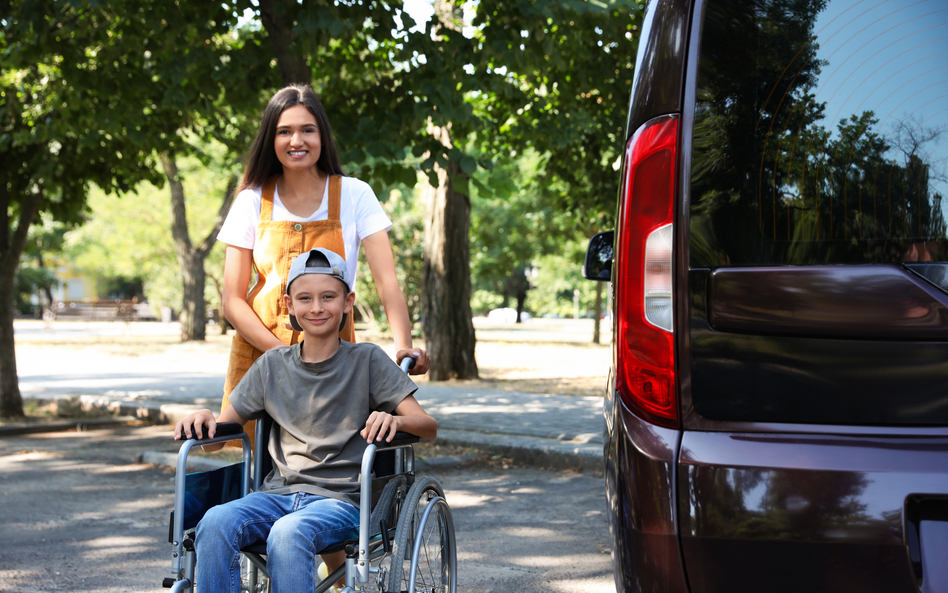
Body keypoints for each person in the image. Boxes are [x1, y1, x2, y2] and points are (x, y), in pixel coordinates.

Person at [174, 248, 438, 593]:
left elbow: (427, 426)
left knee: (289, 532)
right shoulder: (272, 366)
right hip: (275, 495)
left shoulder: (367, 360)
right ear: (289, 305)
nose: (316, 307)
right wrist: (204, 419)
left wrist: (396, 422)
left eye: (328, 297)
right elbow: (224, 431)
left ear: (348, 302)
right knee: (216, 521)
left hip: (341, 502)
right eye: (305, 298)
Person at [217, 83, 429, 437]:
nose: (296, 141)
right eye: (284, 131)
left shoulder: (354, 194)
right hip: (261, 355)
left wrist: (403, 345)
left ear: (322, 137)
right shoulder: (251, 201)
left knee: (330, 456)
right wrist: (284, 359)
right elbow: (232, 300)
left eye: (307, 130)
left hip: (334, 360)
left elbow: (386, 282)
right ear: (271, 139)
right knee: (251, 465)